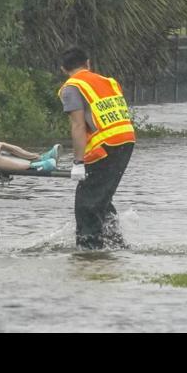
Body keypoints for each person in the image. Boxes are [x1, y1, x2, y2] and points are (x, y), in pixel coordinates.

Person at [58, 46, 136, 249]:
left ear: (63, 69)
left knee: (87, 202)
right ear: (88, 63)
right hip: (125, 140)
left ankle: (89, 250)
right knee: (101, 195)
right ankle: (114, 244)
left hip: (106, 145)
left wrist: (78, 162)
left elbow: (78, 125)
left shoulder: (72, 87)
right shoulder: (108, 81)